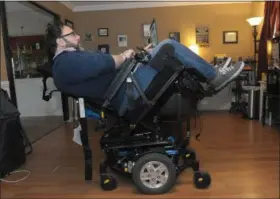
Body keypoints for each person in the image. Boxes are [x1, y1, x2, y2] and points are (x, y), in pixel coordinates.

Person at [44, 20, 244, 114]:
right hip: (125, 95)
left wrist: (135, 56)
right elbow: (107, 62)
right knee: (169, 46)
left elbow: (105, 67)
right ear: (60, 42)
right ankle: (215, 77)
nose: (77, 37)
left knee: (158, 50)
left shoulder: (69, 61)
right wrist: (124, 56)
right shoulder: (66, 62)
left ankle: (210, 73)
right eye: (71, 35)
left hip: (125, 86)